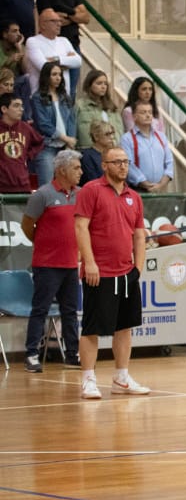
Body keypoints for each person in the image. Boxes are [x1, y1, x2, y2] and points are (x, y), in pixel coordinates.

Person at [74, 143, 150, 399]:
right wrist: (90, 262)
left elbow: (139, 236)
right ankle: (88, 379)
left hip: (126, 273)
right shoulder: (91, 190)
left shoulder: (134, 196)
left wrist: (137, 267)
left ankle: (121, 377)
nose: (123, 166)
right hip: (99, 272)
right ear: (104, 165)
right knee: (92, 327)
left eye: (126, 162)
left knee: (125, 327)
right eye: (117, 162)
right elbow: (81, 228)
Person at [20, 148, 82, 371]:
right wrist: (43, 242)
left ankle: (72, 354)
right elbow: (27, 225)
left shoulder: (80, 194)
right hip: (46, 265)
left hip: (70, 265)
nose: (80, 172)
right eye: (76, 167)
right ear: (62, 170)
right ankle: (31, 354)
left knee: (70, 311)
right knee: (40, 309)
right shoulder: (42, 195)